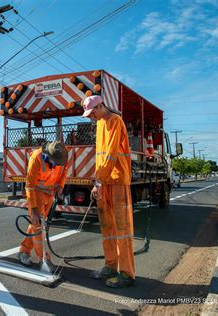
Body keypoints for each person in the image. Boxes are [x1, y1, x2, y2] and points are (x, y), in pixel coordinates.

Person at [82, 95, 135, 288]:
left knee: (122, 230)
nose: (91, 117)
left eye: (93, 112)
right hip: (104, 183)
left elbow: (111, 155)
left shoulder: (115, 121)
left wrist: (99, 181)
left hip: (118, 182)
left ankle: (127, 273)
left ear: (101, 106)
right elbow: (101, 156)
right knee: (107, 228)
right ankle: (111, 266)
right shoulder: (100, 124)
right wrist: (99, 182)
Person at [18, 141, 68, 267]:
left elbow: (65, 170)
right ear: (48, 155)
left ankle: (23, 251)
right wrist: (34, 208)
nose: (56, 164)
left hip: (50, 194)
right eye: (54, 162)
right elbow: (29, 186)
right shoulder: (36, 157)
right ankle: (44, 259)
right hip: (37, 193)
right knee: (38, 225)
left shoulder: (62, 154)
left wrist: (61, 186)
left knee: (37, 224)